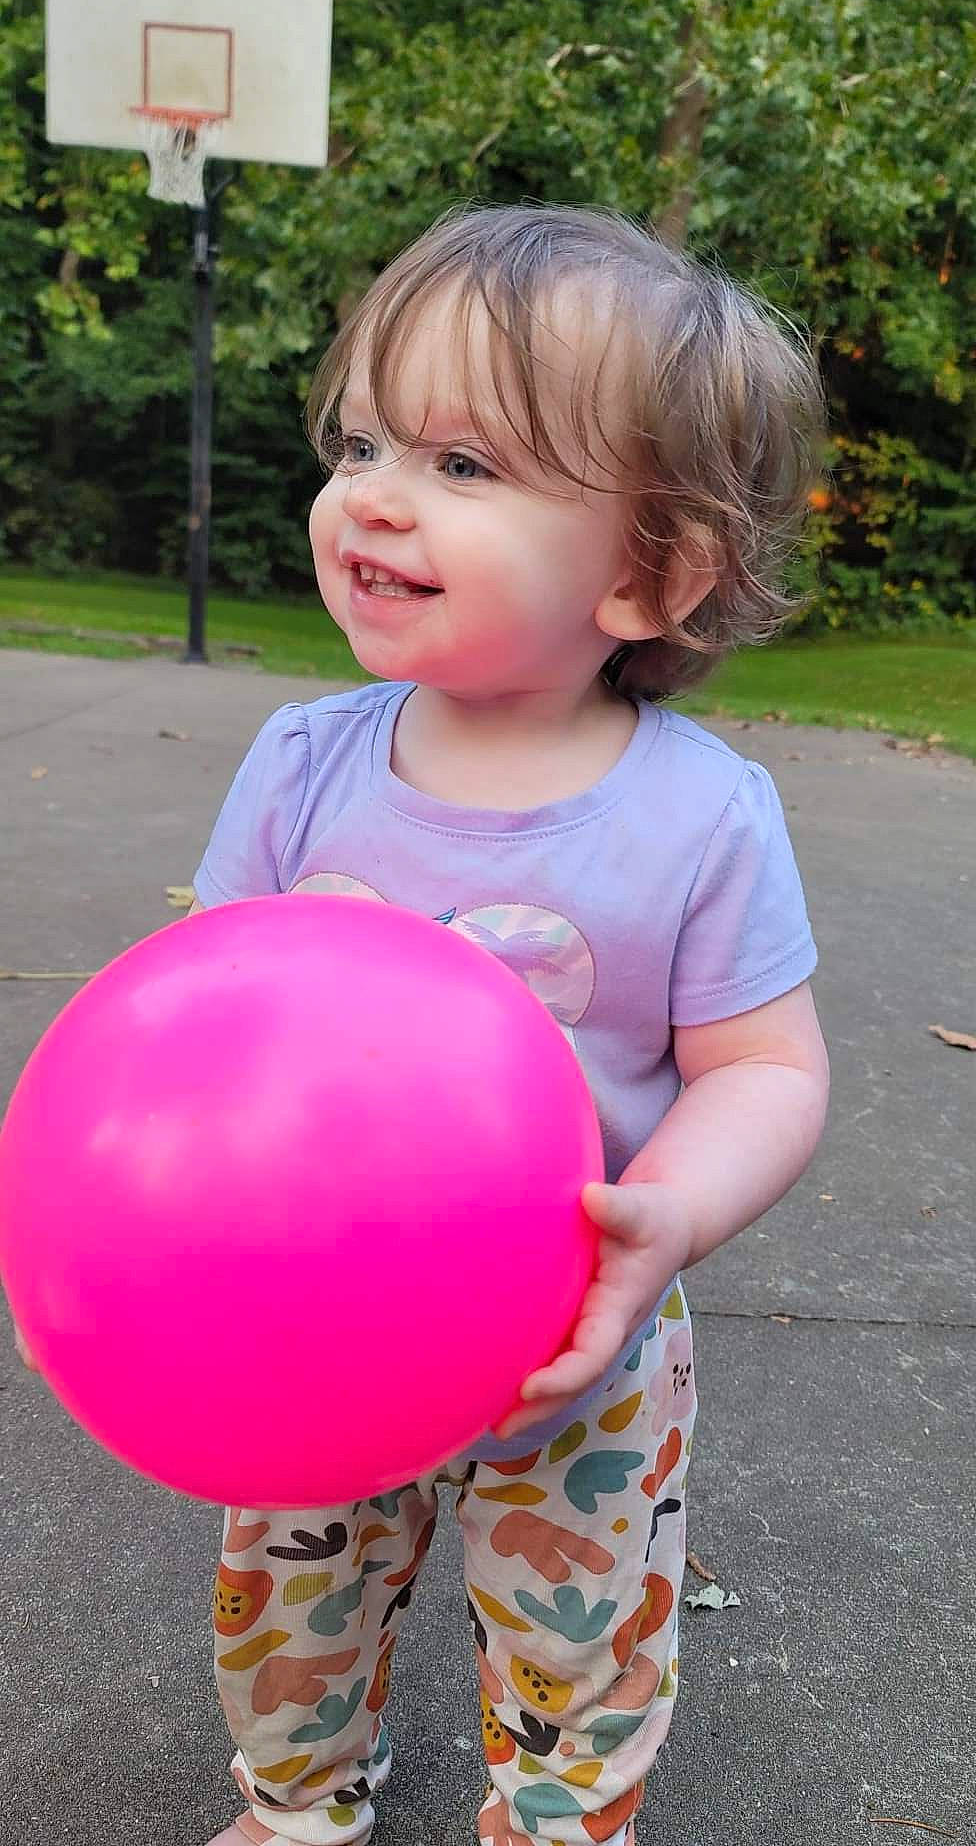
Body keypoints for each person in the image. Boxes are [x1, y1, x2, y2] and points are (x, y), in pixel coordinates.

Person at [23, 204, 832, 1846]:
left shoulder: (700, 819)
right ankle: (301, 1800)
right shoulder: (308, 765)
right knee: (291, 1595)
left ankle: (553, 1817)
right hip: (297, 1312)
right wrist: (104, 1225)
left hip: (574, 1348)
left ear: (651, 570)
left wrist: (668, 1216)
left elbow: (766, 1064)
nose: (373, 497)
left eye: (464, 466)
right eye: (365, 440)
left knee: (580, 1632)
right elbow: (195, 1019)